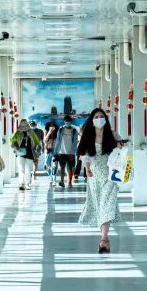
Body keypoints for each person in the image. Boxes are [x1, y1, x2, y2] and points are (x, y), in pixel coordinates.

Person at [77, 108, 122, 253]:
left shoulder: (113, 135)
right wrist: (87, 168)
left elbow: (121, 152)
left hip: (111, 175)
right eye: (96, 117)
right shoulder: (87, 136)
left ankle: (103, 238)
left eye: (101, 116)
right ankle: (105, 239)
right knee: (99, 205)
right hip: (95, 176)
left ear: (105, 119)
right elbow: (85, 155)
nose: (99, 119)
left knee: (107, 205)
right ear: (92, 120)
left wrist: (121, 146)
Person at [9, 119, 41, 190]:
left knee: (28, 169)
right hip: (20, 153)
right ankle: (21, 184)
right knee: (21, 169)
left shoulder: (31, 133)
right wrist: (16, 147)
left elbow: (37, 143)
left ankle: (27, 184)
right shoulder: (18, 133)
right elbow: (12, 142)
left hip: (30, 153)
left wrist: (37, 153)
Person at [53, 115, 79, 188]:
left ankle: (70, 182)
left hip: (71, 153)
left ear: (71, 122)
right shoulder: (61, 130)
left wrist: (72, 153)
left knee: (71, 168)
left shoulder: (74, 131)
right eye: (66, 121)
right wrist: (55, 152)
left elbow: (75, 142)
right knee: (62, 168)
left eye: (68, 121)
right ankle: (62, 181)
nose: (67, 122)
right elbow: (57, 141)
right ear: (64, 122)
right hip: (62, 152)